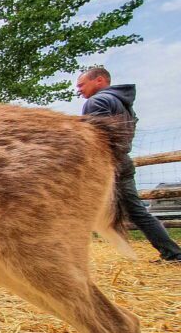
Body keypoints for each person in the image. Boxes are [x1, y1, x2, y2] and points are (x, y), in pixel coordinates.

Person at [77, 66, 181, 262]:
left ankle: (174, 253)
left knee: (74, 205)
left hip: (106, 165)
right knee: (137, 211)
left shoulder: (98, 101)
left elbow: (97, 138)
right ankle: (172, 252)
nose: (79, 90)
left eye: (82, 85)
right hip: (121, 161)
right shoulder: (122, 103)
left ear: (99, 80)